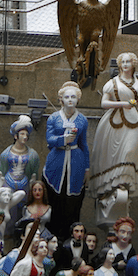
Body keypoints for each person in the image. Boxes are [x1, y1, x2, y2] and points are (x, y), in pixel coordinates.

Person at [90, 52, 138, 226]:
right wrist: (122, 104)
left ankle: (124, 184)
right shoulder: (112, 83)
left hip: (135, 122)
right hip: (114, 122)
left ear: (134, 64)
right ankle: (111, 189)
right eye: (123, 62)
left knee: (129, 152)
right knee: (112, 155)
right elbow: (104, 103)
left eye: (129, 61)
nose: (125, 64)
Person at [43, 81, 90, 235]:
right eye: (67, 97)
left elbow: (84, 144)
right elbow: (49, 139)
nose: (70, 99)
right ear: (61, 99)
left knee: (73, 201)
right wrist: (62, 140)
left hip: (76, 161)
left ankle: (70, 233)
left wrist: (87, 168)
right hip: (57, 158)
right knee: (54, 198)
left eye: (73, 97)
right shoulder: (54, 118)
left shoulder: (82, 119)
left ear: (78, 99)